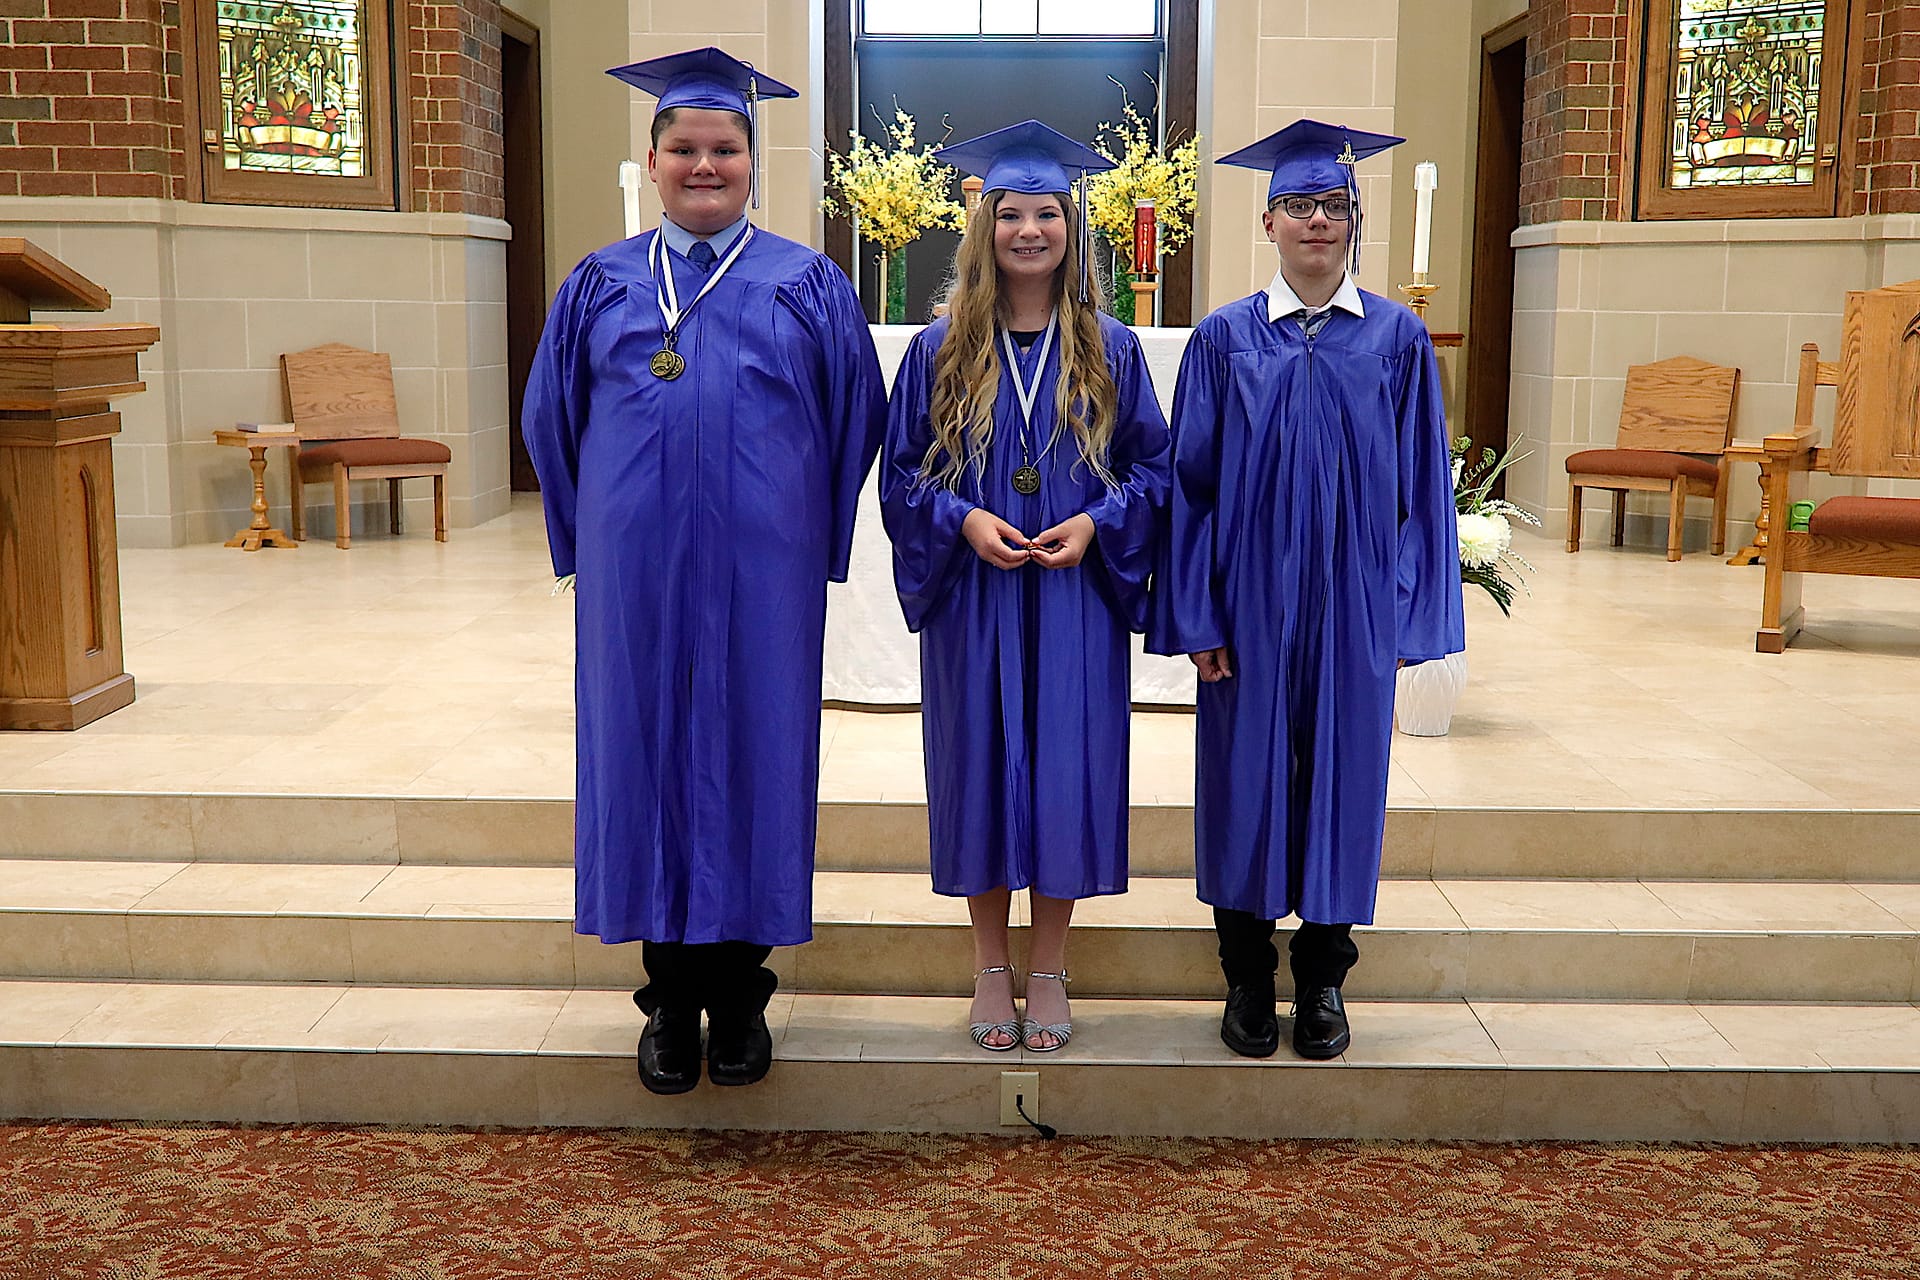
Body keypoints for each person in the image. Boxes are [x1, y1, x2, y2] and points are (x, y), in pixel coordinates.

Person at [524, 47, 887, 1095]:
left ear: (752, 161)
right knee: (642, 760)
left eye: (724, 147)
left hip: (760, 577)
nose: (704, 164)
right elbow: (552, 419)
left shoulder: (806, 282)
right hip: (636, 575)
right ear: (651, 158)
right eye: (683, 147)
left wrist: (802, 531)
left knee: (756, 755)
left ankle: (741, 999)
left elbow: (854, 415)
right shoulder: (600, 280)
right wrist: (588, 537)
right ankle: (666, 1004)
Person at [1147, 120, 1464, 1061]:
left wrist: (1407, 615)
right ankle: (1246, 976)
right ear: (1268, 221)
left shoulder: (1398, 340)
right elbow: (1189, 489)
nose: (1316, 221)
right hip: (1246, 604)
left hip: (1355, 600)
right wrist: (1198, 612)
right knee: (1244, 781)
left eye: (1333, 205)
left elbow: (1423, 495)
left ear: (1355, 219)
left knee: (1345, 779)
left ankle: (1323, 976)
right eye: (1299, 206)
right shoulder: (1223, 339)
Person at [880, 121, 1170, 1053]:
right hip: (974, 597)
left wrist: (1097, 524)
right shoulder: (936, 350)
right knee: (976, 767)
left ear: (1071, 227)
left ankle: (1047, 964)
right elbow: (900, 472)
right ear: (984, 227)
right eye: (1012, 214)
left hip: (1074, 598)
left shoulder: (1112, 347)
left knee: (1064, 773)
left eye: (1048, 213)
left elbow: (1155, 470)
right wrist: (961, 519)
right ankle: (989, 967)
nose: (1030, 230)